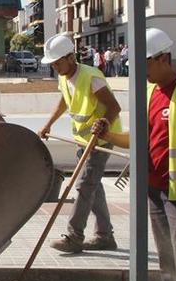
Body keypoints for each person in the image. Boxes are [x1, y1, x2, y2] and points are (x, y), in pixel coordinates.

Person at [91, 28, 176, 281]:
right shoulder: (148, 92)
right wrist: (109, 133)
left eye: (145, 64)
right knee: (167, 260)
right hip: (154, 190)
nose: (141, 71)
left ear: (163, 58)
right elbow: (138, 138)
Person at [38, 33, 122, 253]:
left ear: (70, 57)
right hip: (83, 140)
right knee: (94, 187)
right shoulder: (65, 77)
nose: (55, 67)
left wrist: (103, 124)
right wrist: (48, 124)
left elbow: (114, 107)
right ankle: (105, 236)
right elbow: (64, 102)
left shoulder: (91, 77)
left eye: (58, 62)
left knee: (84, 185)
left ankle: (74, 237)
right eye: (53, 63)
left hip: (101, 139)